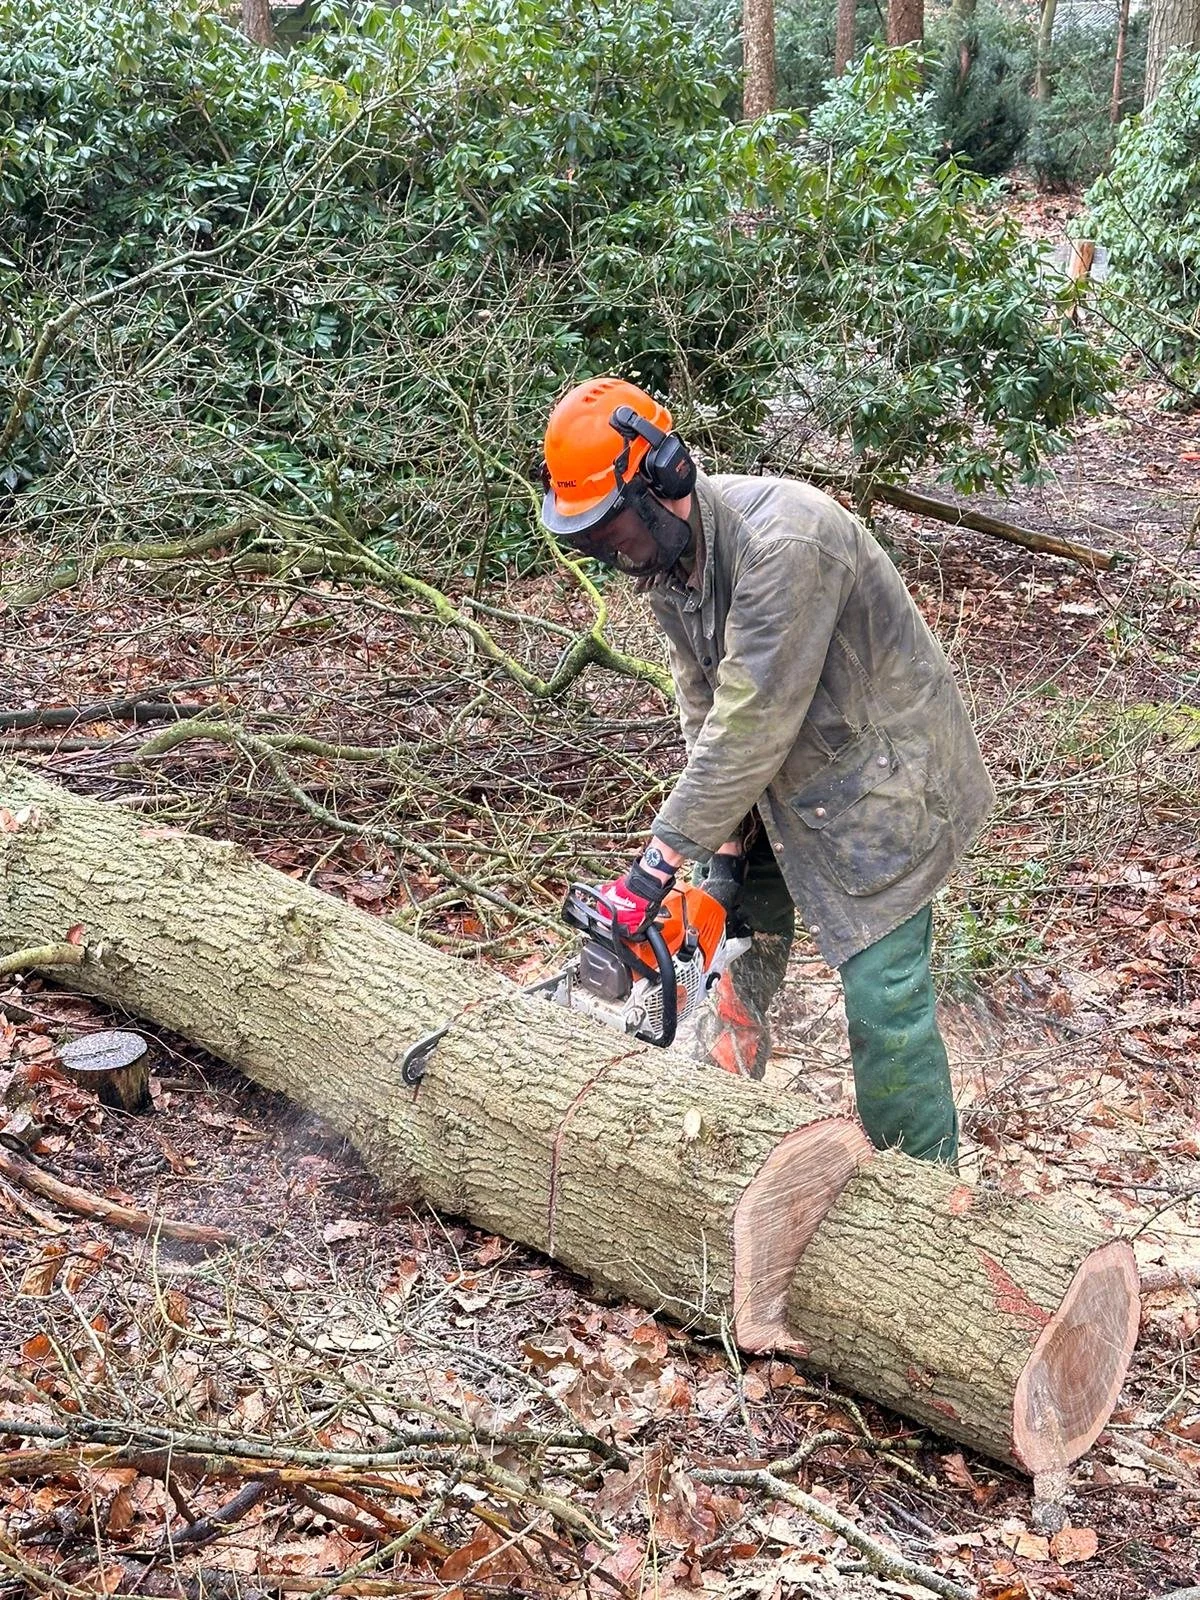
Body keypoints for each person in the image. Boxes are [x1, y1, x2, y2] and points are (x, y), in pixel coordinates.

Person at [539, 376, 995, 1166]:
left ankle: (926, 1200)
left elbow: (749, 721)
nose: (617, 555)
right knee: (732, 948)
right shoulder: (672, 567)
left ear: (666, 480)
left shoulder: (785, 544)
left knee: (883, 999)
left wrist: (655, 866)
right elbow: (702, 706)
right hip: (784, 783)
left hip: (882, 781)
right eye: (596, 542)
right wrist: (714, 855)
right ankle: (716, 1138)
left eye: (616, 530)